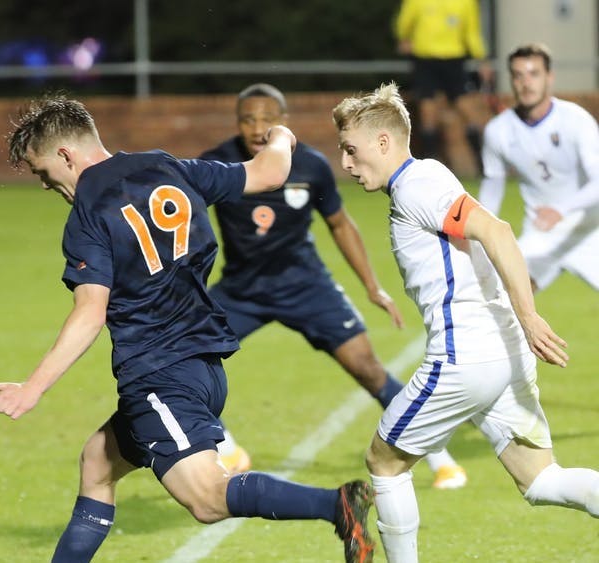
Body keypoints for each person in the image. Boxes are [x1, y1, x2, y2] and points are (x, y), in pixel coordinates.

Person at [0, 94, 376, 563]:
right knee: (97, 464)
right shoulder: (169, 167)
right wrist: (280, 136)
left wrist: (33, 388)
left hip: (158, 376)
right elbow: (270, 172)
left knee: (207, 500)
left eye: (42, 172)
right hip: (202, 367)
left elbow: (90, 313)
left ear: (66, 155)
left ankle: (336, 506)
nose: (47, 185)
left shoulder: (88, 214)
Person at [333, 82, 599, 562]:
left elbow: (495, 230)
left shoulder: (418, 185)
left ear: (384, 142)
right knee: (541, 480)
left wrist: (530, 314)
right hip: (501, 352)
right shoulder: (425, 175)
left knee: (384, 462)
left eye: (351, 150)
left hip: (466, 356)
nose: (347, 164)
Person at [200, 83, 467, 489]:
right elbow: (185, 219)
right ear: (236, 123)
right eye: (247, 119)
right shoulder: (219, 164)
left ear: (283, 122)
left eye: (267, 118)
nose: (257, 127)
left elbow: (341, 224)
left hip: (307, 286)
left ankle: (439, 458)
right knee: (183, 358)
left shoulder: (309, 166)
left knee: (367, 368)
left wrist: (372, 287)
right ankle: (228, 448)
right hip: (241, 291)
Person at [478, 43, 599, 293]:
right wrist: (479, 231)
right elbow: (492, 187)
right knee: (499, 298)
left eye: (534, 74)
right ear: (511, 80)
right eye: (518, 75)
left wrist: (561, 209)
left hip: (590, 230)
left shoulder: (575, 120)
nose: (526, 83)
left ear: (549, 77)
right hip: (542, 233)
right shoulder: (498, 130)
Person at [395, 0, 493, 170]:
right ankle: (426, 167)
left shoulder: (467, 3)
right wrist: (405, 38)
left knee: (467, 108)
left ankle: (484, 163)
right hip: (425, 59)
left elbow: (471, 32)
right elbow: (404, 23)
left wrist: (481, 58)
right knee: (428, 112)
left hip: (454, 60)